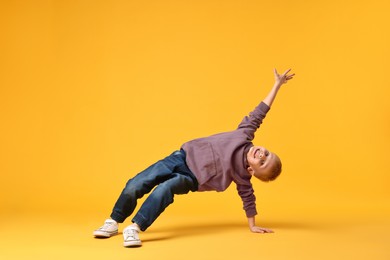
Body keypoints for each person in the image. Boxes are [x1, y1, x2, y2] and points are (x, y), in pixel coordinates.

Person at [93, 68, 295, 247]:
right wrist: (277, 85)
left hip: (191, 179)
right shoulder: (244, 134)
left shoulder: (242, 176)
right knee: (139, 182)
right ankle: (114, 220)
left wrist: (253, 225)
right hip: (180, 158)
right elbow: (260, 112)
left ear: (252, 170)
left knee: (165, 189)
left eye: (261, 162)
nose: (261, 155)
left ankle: (135, 227)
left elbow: (248, 199)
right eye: (266, 153)